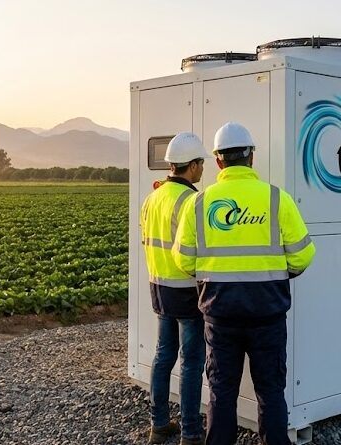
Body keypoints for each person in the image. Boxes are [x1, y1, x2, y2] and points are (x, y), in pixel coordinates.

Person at [171, 122, 316, 445]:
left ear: (218, 161)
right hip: (268, 314)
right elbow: (304, 256)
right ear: (251, 157)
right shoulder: (277, 199)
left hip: (220, 315)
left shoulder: (198, 203)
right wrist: (279, 273)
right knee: (270, 391)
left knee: (222, 391)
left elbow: (182, 260)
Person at [140, 132, 211, 445]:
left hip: (159, 286)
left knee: (163, 354)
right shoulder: (191, 200)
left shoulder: (152, 197)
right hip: (186, 291)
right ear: (192, 166)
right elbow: (197, 251)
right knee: (192, 362)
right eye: (201, 164)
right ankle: (191, 432)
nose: (203, 169)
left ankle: (158, 425)